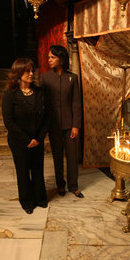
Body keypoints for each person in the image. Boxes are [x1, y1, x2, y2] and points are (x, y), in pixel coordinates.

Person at [2, 58, 49, 214]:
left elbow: (47, 117)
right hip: (18, 141)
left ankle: (40, 198)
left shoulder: (39, 92)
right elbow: (9, 122)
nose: (31, 73)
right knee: (23, 171)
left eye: (32, 70)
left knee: (37, 170)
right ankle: (27, 202)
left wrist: (39, 138)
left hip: (37, 139)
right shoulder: (10, 95)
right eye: (27, 71)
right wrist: (27, 140)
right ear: (18, 73)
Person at [40, 45, 83, 198]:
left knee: (72, 156)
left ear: (61, 58)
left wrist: (76, 125)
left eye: (52, 57)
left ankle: (74, 186)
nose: (49, 60)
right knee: (57, 156)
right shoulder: (45, 78)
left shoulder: (73, 78)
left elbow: (76, 103)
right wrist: (44, 127)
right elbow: (43, 104)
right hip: (53, 125)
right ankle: (60, 185)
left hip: (70, 125)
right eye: (49, 57)